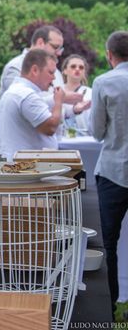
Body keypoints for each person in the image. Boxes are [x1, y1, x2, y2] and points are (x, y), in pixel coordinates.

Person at [89, 31, 128, 320]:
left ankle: (113, 309)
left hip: (115, 170)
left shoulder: (103, 82)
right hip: (114, 170)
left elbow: (97, 132)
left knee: (110, 244)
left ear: (109, 55)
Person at [0, 49, 64, 161]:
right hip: (26, 169)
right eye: (51, 72)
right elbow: (50, 127)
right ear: (35, 70)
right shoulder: (26, 95)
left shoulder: (17, 91)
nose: (54, 78)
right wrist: (58, 102)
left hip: (20, 165)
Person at [61, 54, 92, 136]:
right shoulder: (57, 91)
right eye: (73, 66)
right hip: (60, 138)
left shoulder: (91, 93)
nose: (77, 69)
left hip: (85, 138)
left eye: (81, 67)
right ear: (65, 70)